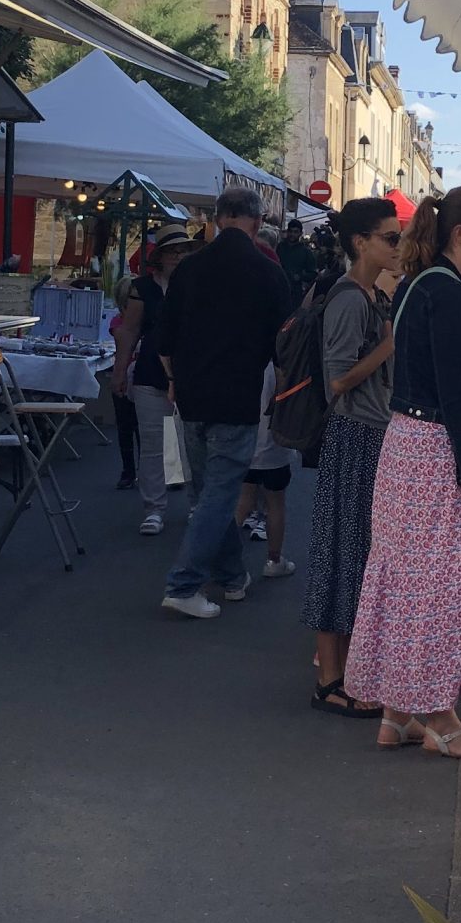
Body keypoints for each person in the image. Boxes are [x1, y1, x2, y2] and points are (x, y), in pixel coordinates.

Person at [343, 185, 461, 760]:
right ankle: (442, 720)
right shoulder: (448, 293)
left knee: (407, 580)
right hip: (438, 452)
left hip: (411, 447)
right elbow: (456, 393)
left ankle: (396, 713)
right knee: (436, 586)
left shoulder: (421, 286)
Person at [155, 186, 293, 618]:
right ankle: (183, 584)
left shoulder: (188, 269)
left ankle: (232, 577)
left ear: (217, 219)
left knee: (210, 490)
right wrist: (281, 394)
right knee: (218, 494)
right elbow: (283, 345)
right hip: (237, 393)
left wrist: (174, 378)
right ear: (256, 222)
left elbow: (164, 337)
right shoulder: (268, 272)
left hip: (192, 393)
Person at [300, 196, 401, 719]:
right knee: (341, 551)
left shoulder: (368, 294)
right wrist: (388, 347)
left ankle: (340, 671)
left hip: (365, 434)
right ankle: (329, 679)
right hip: (353, 435)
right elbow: (338, 377)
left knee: (351, 553)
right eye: (389, 238)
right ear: (360, 242)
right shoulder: (349, 299)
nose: (396, 246)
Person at [111, 224, 197, 534]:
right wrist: (120, 371)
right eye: (173, 251)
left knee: (188, 443)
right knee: (152, 443)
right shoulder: (143, 288)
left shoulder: (197, 285)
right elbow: (129, 330)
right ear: (159, 256)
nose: (179, 255)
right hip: (150, 371)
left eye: (184, 250)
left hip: (189, 372)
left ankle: (195, 505)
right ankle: (154, 508)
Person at [235, 358, 298, 580]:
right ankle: (274, 559)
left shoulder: (240, 359)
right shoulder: (277, 364)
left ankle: (225, 558)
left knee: (242, 501)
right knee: (275, 503)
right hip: (274, 443)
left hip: (244, 442)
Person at [276, 217, 319, 301]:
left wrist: (300, 277)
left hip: (295, 292)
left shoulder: (306, 252)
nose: (292, 234)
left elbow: (313, 273)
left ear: (300, 233)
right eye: (291, 231)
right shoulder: (279, 247)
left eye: (295, 232)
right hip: (278, 288)